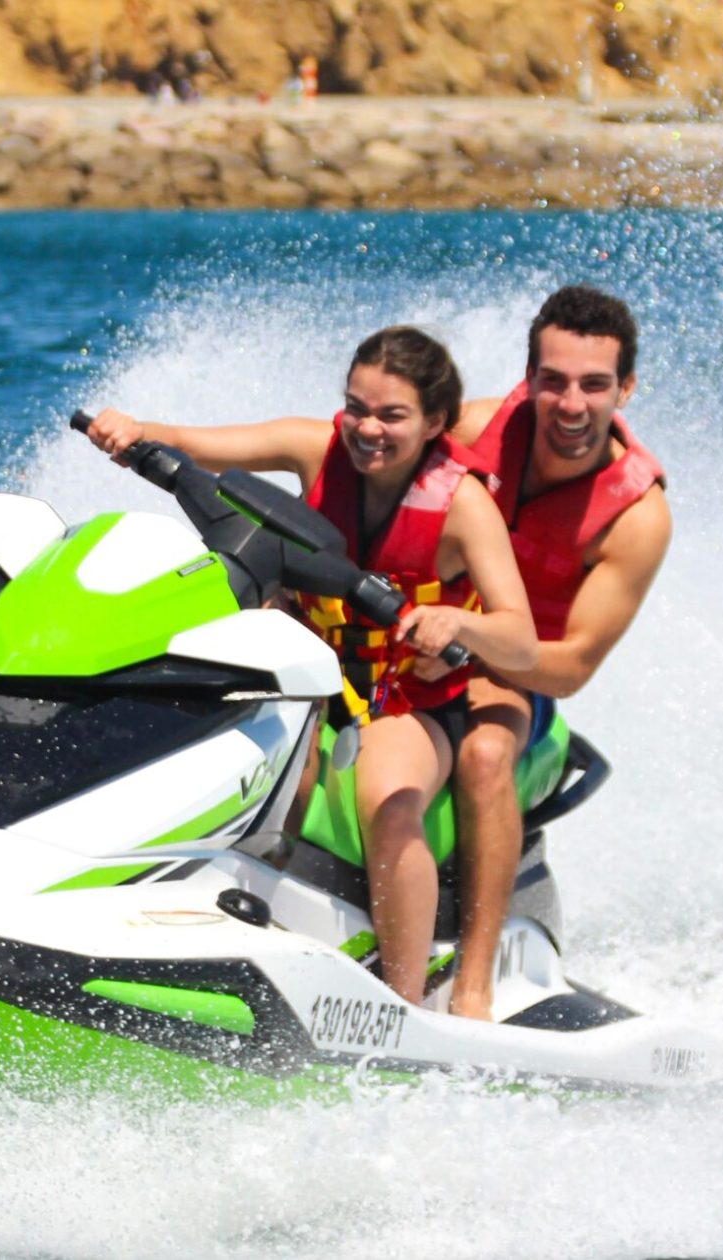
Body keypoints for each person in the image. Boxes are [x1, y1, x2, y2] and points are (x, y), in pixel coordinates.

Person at [83, 327, 537, 1006]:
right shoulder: (315, 447)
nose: (367, 429)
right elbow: (196, 444)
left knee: (388, 805)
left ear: (435, 422)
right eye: (356, 408)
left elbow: (521, 639)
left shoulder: (463, 505)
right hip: (309, 671)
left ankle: (404, 1005)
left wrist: (459, 623)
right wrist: (136, 430)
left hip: (405, 698)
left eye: (392, 415)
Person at [440, 285, 670, 1021]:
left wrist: (470, 638)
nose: (571, 405)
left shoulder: (635, 518)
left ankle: (473, 987)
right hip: (411, 629)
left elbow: (570, 668)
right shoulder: (473, 430)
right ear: (530, 378)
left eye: (594, 385)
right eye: (554, 381)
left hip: (517, 673)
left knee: (483, 756)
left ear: (625, 389)